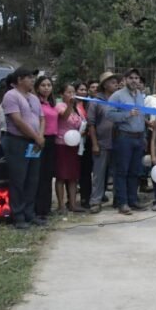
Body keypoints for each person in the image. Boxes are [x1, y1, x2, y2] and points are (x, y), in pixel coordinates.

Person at [2, 67, 46, 229]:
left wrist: (40, 137)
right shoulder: (11, 96)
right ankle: (17, 214)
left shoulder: (33, 97)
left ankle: (29, 213)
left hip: (35, 143)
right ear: (19, 80)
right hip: (18, 142)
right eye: (29, 78)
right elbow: (18, 121)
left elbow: (41, 118)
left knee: (32, 179)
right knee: (18, 179)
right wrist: (36, 137)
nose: (32, 80)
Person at [106, 68, 149, 215]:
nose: (134, 81)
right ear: (125, 80)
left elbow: (142, 117)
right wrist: (126, 114)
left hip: (138, 137)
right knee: (122, 171)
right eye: (131, 78)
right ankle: (122, 202)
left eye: (137, 78)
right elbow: (109, 114)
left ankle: (133, 200)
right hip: (124, 137)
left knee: (135, 171)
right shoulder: (117, 96)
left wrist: (144, 136)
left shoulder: (140, 96)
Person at [87, 72, 118, 213]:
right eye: (112, 82)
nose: (115, 84)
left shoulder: (118, 100)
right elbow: (91, 124)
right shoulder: (95, 101)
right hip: (101, 142)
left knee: (117, 172)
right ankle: (95, 201)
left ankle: (118, 199)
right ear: (105, 85)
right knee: (99, 174)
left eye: (116, 81)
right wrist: (94, 143)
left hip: (117, 142)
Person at [54, 83, 86, 213]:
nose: (71, 94)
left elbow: (81, 123)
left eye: (73, 92)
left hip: (74, 145)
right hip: (62, 144)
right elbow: (64, 117)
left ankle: (73, 204)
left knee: (73, 176)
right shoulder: (60, 106)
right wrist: (70, 105)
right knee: (61, 175)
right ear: (62, 94)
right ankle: (61, 205)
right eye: (68, 92)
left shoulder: (77, 108)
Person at [34, 76, 58, 219]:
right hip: (40, 139)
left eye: (49, 85)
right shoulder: (35, 102)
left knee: (48, 175)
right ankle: (38, 208)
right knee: (39, 174)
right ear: (37, 87)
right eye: (43, 85)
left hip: (52, 140)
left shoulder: (51, 103)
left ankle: (46, 207)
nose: (46, 88)